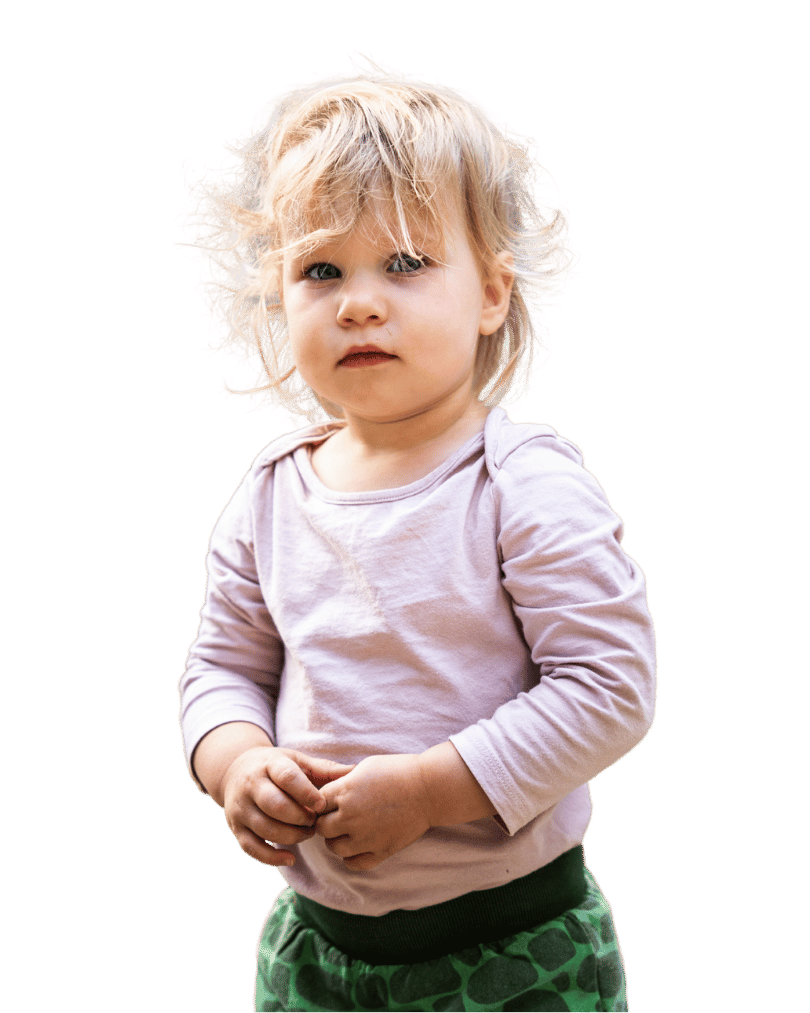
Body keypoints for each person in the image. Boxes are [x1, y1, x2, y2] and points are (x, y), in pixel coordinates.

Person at [173, 48, 658, 1013]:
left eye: (404, 263)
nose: (358, 300)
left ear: (492, 293)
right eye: (321, 269)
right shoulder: (268, 493)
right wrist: (236, 761)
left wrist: (434, 790)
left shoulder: (520, 482)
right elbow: (220, 668)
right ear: (278, 297)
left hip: (514, 945)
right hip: (315, 949)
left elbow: (611, 688)